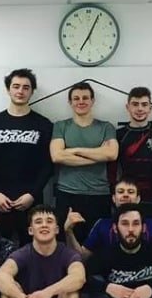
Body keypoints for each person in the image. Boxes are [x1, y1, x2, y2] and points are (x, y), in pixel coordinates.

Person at [0, 68, 53, 245]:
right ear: (8, 89)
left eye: (26, 87)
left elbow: (49, 164)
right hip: (0, 201)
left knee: (33, 249)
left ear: (32, 91)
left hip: (31, 200)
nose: (20, 91)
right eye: (16, 86)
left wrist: (32, 194)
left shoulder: (44, 124)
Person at [50, 82, 118, 243]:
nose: (81, 101)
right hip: (67, 194)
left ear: (92, 101)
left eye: (85, 98)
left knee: (98, 245)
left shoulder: (106, 127)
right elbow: (57, 157)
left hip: (99, 194)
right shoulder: (61, 126)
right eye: (76, 98)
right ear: (70, 102)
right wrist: (97, 154)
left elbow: (112, 154)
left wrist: (72, 150)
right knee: (66, 242)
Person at [64, 178, 152, 260]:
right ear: (114, 198)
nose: (125, 195)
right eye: (120, 192)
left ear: (138, 199)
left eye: (130, 192)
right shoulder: (102, 225)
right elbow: (81, 257)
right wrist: (69, 231)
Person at [113, 86, 152, 222]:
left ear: (150, 108)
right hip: (127, 197)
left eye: (144, 104)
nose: (140, 109)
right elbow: (112, 171)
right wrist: (114, 197)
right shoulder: (119, 135)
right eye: (135, 104)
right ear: (128, 107)